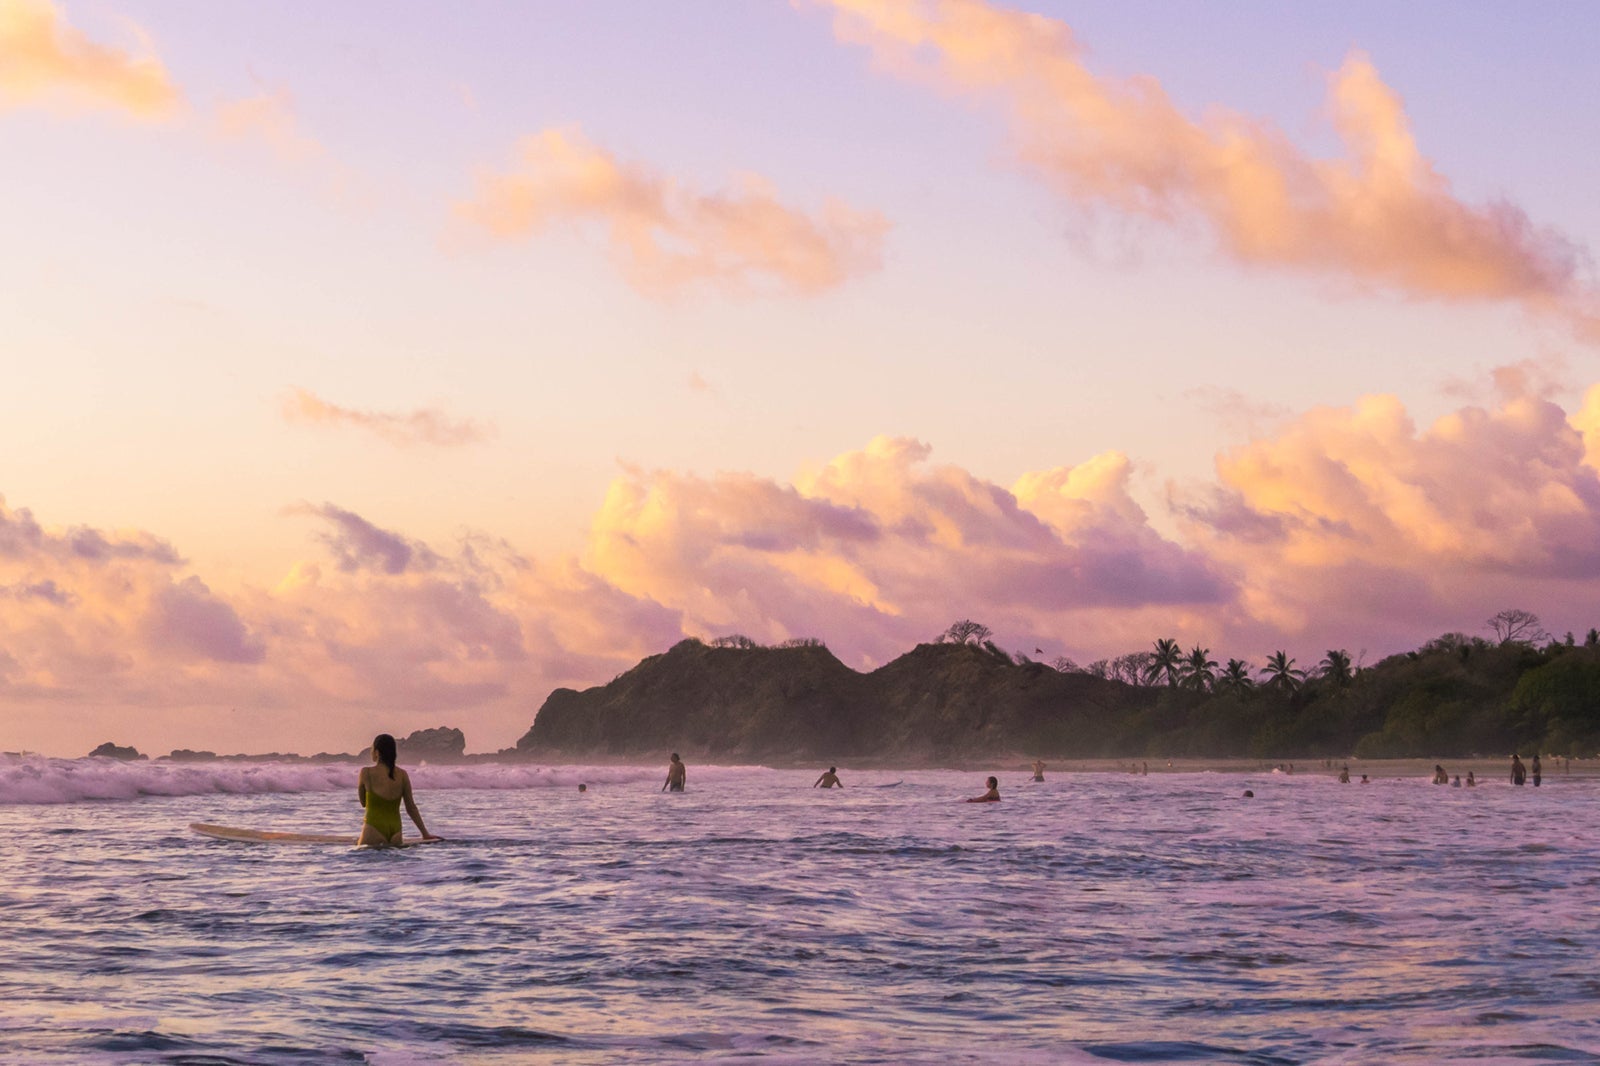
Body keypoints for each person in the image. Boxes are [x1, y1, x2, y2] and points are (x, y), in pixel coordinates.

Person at [357, 734, 438, 847]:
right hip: (396, 833)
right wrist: (425, 834)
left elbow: (363, 803)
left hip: (373, 830)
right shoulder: (402, 775)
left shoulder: (366, 773)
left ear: (377, 752)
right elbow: (411, 808)